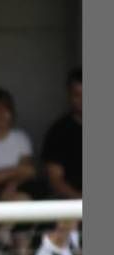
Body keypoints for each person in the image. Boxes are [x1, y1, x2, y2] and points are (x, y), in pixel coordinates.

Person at [41, 68, 82, 199]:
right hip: (71, 205)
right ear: (69, 96)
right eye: (77, 94)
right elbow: (55, 180)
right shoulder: (58, 131)